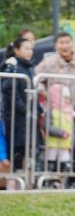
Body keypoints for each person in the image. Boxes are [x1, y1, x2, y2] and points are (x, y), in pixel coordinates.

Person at [1, 37, 35, 182]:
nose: (29, 52)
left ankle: (23, 180)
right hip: (14, 116)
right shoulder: (12, 65)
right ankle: (12, 181)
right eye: (26, 48)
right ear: (17, 50)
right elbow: (9, 89)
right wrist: (22, 107)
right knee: (15, 149)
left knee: (25, 149)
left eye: (31, 48)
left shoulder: (29, 67)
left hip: (27, 116)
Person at [35, 31, 75, 101]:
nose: (65, 46)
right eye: (61, 43)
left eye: (67, 42)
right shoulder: (48, 62)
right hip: (55, 107)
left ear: (73, 44)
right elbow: (35, 78)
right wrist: (46, 94)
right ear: (56, 45)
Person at [44, 84, 75, 173]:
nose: (67, 100)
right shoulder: (51, 110)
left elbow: (72, 127)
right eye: (64, 97)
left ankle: (62, 181)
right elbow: (47, 126)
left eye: (68, 98)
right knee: (51, 163)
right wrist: (61, 133)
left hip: (65, 144)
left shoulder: (70, 110)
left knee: (65, 163)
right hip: (53, 143)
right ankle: (48, 180)